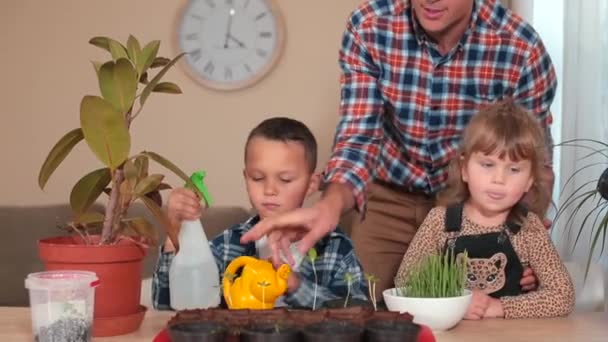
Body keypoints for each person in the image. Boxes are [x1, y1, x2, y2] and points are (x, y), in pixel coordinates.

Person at [241, 0, 556, 299]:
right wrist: (330, 206)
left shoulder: (521, 47)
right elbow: (358, 137)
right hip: (388, 198)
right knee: (362, 305)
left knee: (474, 311)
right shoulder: (370, 25)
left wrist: (525, 242)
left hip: (474, 205)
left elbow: (531, 159)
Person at [152, 117, 368, 310]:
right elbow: (165, 303)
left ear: (311, 184)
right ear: (246, 178)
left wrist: (294, 286)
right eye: (257, 178)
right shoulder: (228, 245)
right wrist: (175, 231)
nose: (269, 190)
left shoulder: (336, 249)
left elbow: (359, 313)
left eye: (285, 180)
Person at [394, 100, 574, 319]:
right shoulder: (439, 221)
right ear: (464, 169)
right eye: (487, 165)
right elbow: (404, 282)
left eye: (514, 169)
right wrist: (456, 303)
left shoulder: (528, 228)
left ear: (529, 181)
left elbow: (563, 296)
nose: (499, 179)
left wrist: (498, 308)